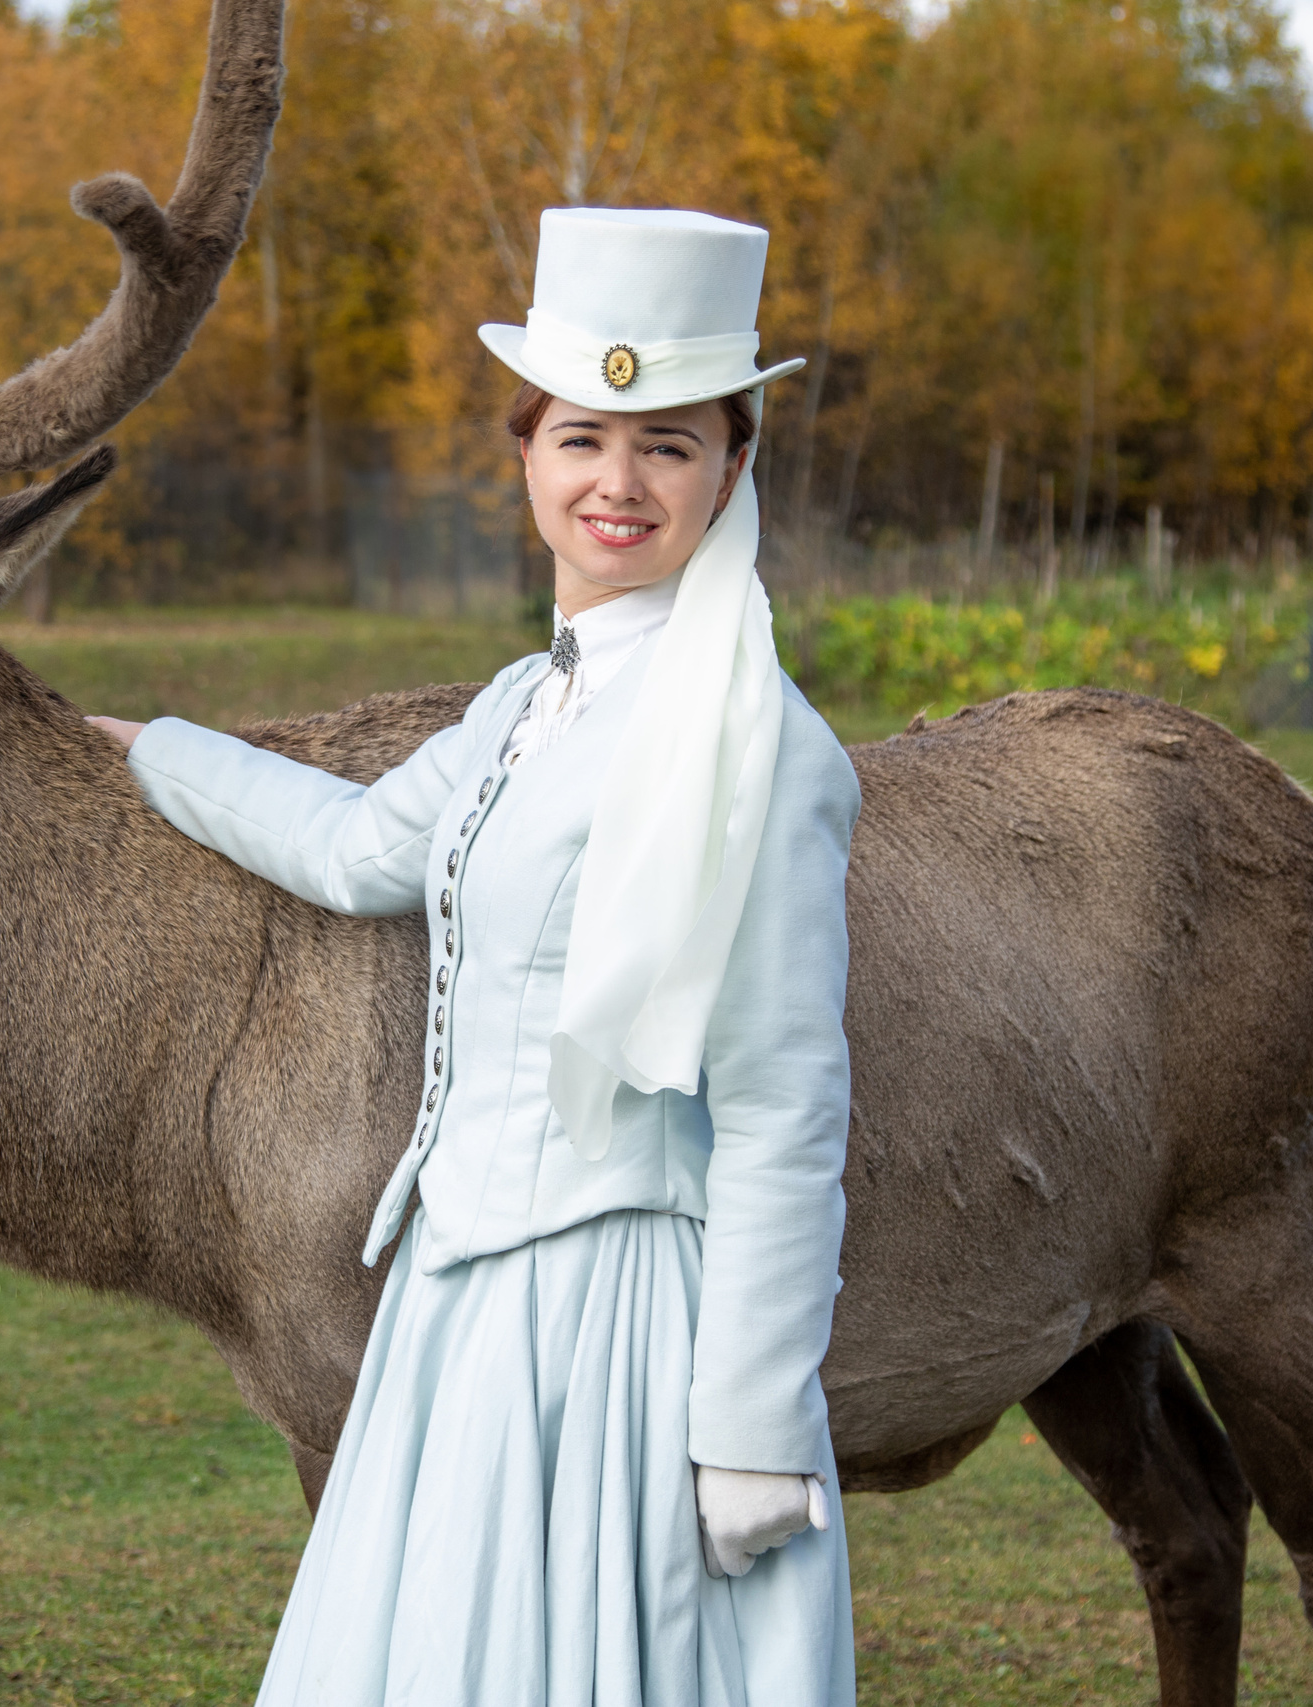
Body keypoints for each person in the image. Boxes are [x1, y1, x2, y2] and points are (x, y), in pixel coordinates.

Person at [89, 207, 858, 1705]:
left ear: (736, 468)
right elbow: (367, 848)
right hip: (458, 1305)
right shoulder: (526, 701)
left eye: (670, 445)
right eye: (582, 438)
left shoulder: (762, 748)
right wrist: (143, 751)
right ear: (526, 456)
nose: (618, 484)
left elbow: (783, 1108)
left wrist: (750, 1425)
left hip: (626, 1332)